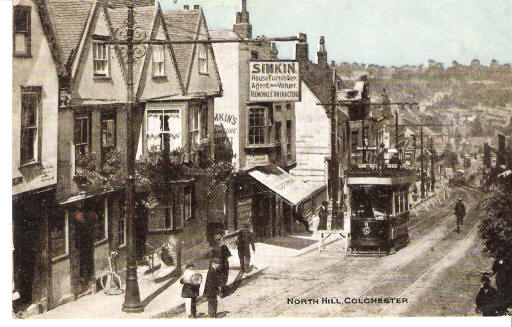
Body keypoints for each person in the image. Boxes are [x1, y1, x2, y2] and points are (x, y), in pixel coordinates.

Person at [203, 228, 224, 318]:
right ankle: (212, 315)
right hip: (211, 291)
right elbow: (209, 282)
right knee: (212, 303)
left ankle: (213, 314)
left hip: (212, 291)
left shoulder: (213, 270)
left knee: (214, 302)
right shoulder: (211, 272)